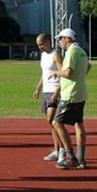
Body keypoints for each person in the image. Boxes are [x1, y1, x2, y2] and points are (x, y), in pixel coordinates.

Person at [51, 28, 91, 170]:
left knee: (56, 123)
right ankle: (81, 159)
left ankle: (71, 157)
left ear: (67, 38)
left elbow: (68, 72)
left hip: (70, 94)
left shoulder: (71, 51)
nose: (59, 42)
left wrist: (56, 72)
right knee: (78, 124)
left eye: (60, 38)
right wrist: (80, 78)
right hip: (80, 92)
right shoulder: (81, 51)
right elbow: (89, 66)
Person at [33, 33, 64, 162]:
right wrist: (38, 88)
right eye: (38, 44)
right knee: (51, 123)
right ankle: (57, 150)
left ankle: (63, 150)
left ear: (48, 42)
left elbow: (63, 73)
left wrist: (57, 92)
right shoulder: (43, 55)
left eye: (41, 44)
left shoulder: (55, 54)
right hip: (46, 91)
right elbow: (44, 74)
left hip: (55, 90)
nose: (39, 46)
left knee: (52, 120)